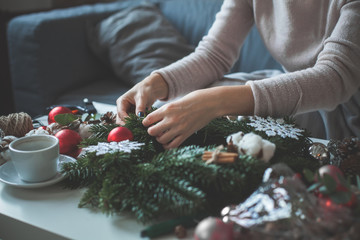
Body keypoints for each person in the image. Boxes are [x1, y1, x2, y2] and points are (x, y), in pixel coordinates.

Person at [116, 0, 360, 149]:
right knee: (173, 110)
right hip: (297, 97)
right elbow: (214, 55)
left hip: (348, 119)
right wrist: (155, 83)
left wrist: (216, 102)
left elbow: (335, 77)